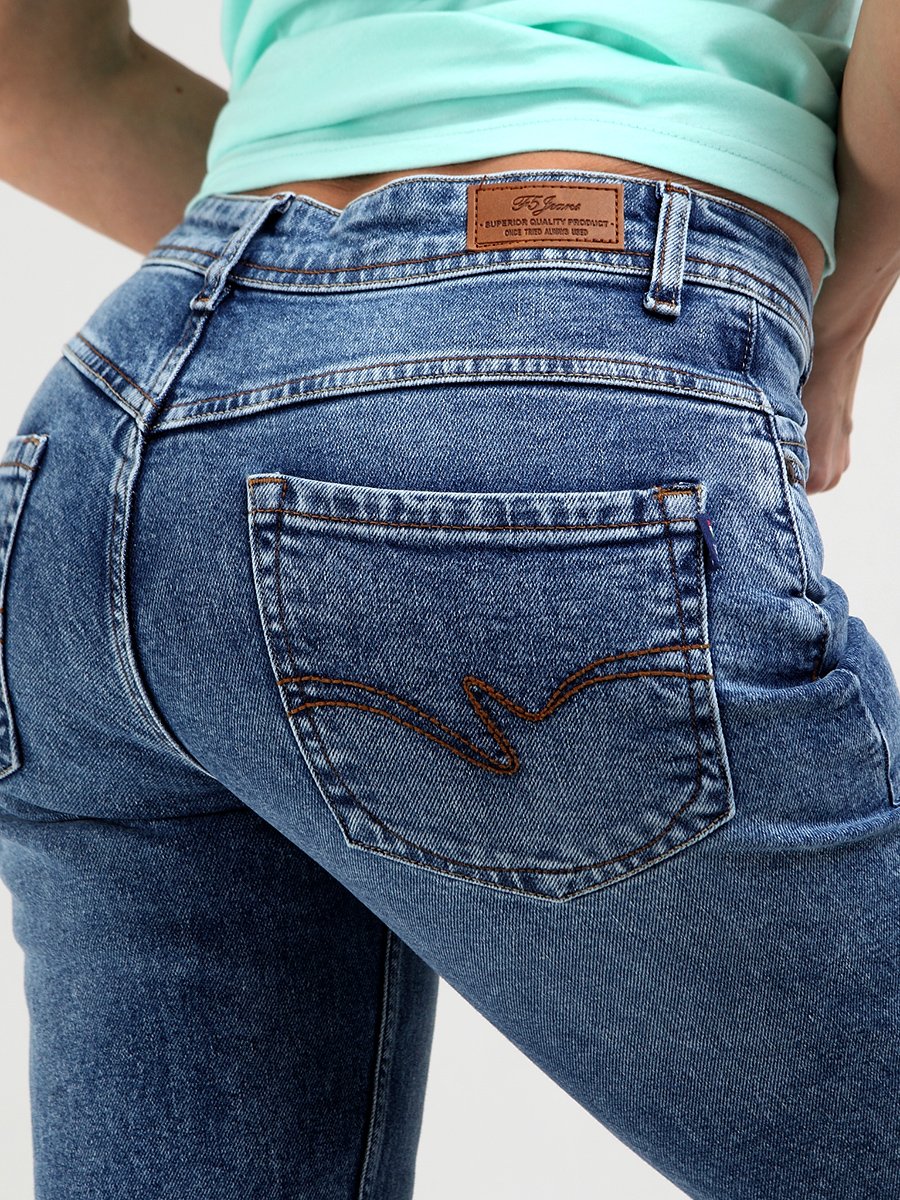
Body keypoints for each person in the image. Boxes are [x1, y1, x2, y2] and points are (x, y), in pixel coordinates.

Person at [0, 2, 897, 1198]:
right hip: (555, 381)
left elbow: (31, 71)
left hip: (113, 432)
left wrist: (356, 301)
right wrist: (843, 303)